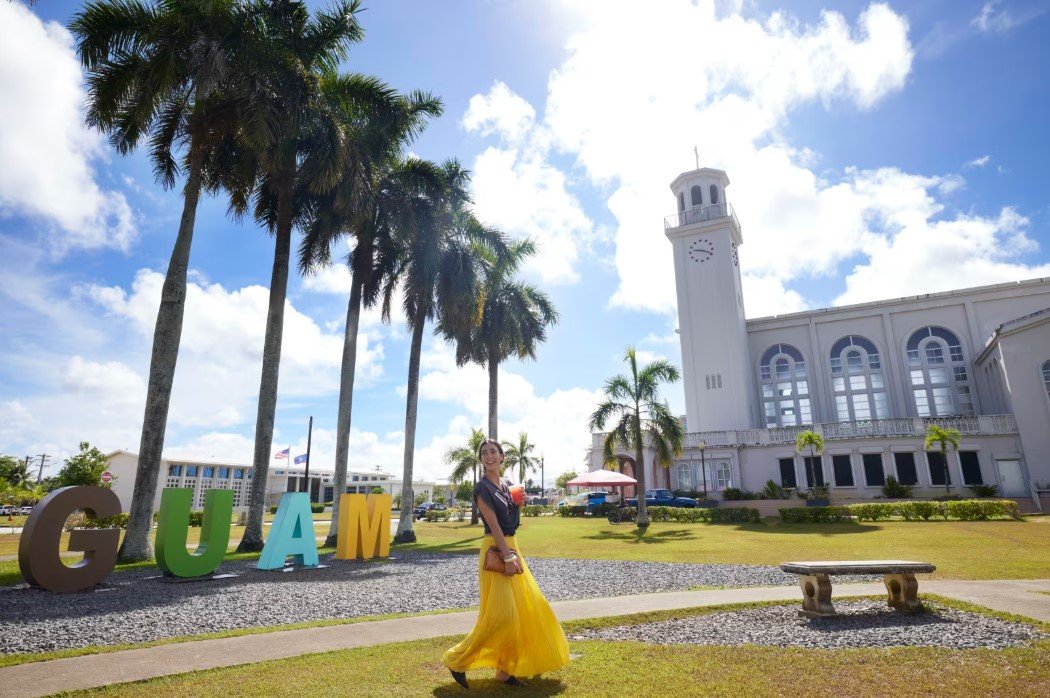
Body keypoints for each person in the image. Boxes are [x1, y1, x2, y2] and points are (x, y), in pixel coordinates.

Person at [443, 438, 569, 689]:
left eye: (493, 452)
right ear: (481, 460)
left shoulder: (508, 485)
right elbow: (494, 525)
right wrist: (508, 557)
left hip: (512, 545)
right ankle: (457, 660)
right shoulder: (481, 489)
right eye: (484, 453)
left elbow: (511, 522)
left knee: (529, 606)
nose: (489, 456)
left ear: (502, 457)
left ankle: (505, 670)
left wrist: (519, 506)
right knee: (502, 616)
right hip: (495, 549)